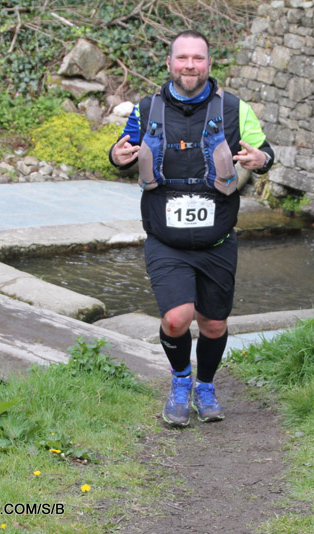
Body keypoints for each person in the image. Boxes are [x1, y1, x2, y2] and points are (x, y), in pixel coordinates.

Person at [108, 30, 274, 426]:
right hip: (166, 240)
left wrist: (261, 160)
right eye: (182, 58)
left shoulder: (235, 109)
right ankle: (181, 380)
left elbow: (264, 151)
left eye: (197, 58)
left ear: (209, 64)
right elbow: (122, 150)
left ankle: (206, 385)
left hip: (218, 240)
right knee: (176, 319)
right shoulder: (146, 109)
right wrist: (116, 155)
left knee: (213, 323)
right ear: (169, 63)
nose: (189, 65)